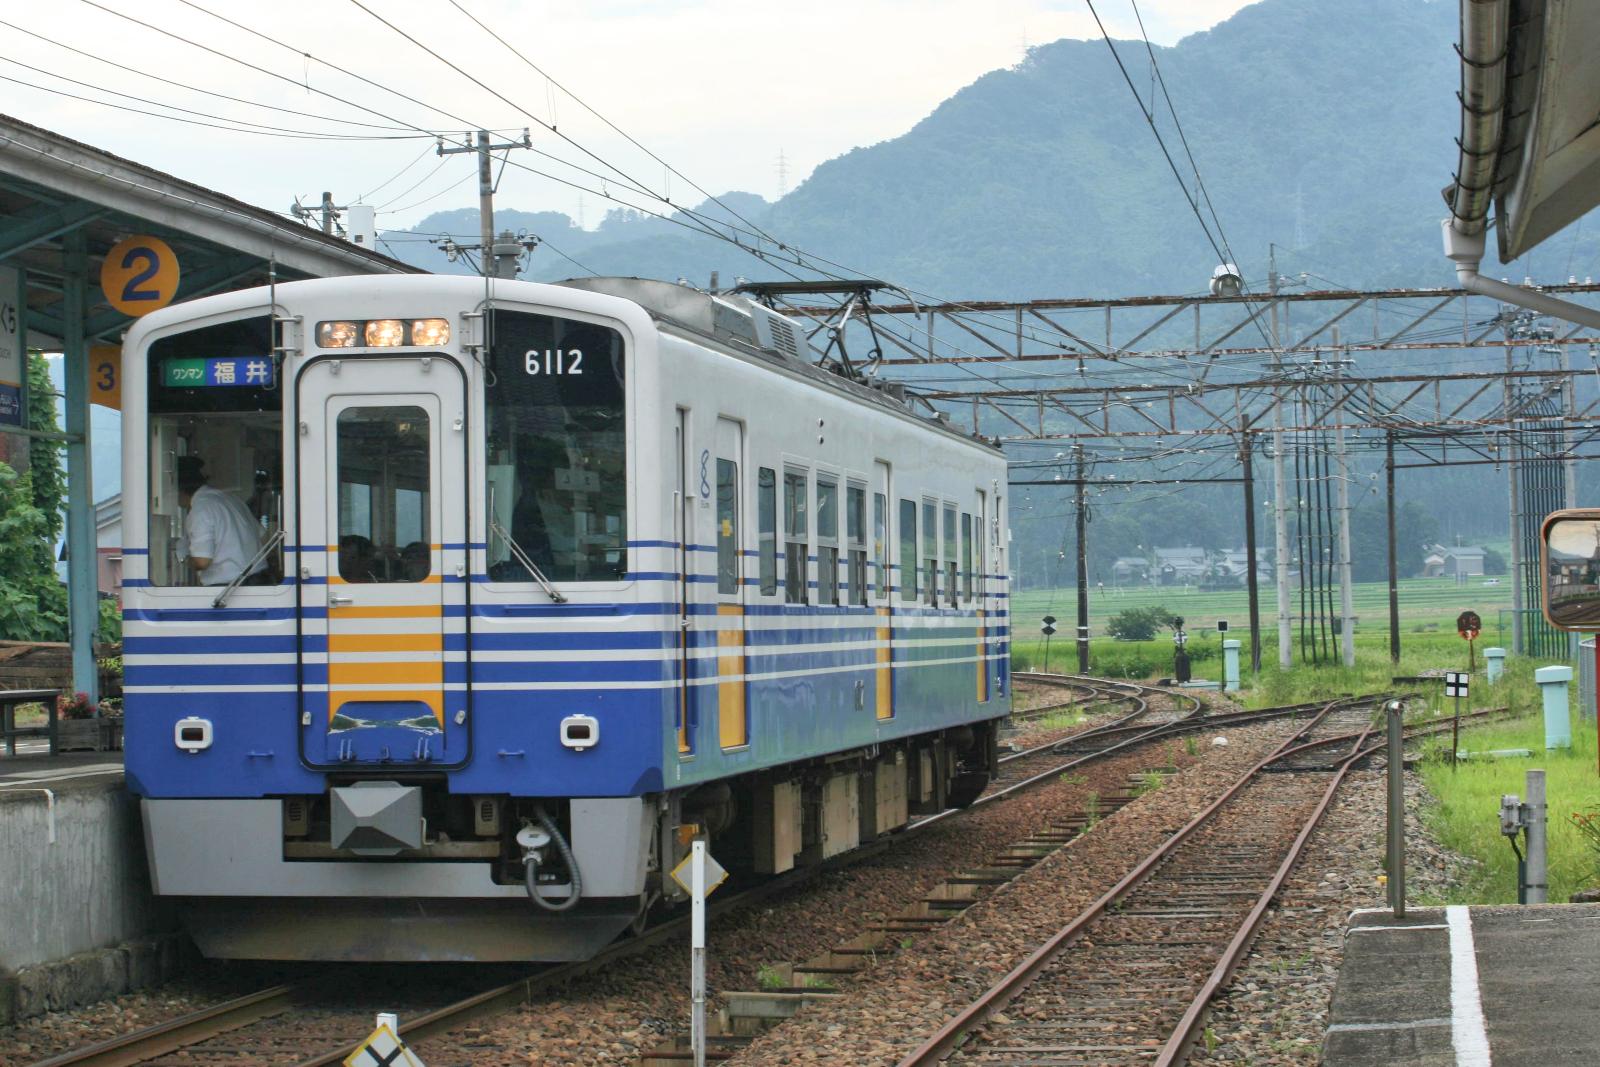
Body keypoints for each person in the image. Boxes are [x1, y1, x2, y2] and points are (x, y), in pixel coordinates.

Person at [177, 456, 269, 587]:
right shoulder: (230, 498)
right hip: (259, 581)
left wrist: (185, 557)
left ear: (179, 489)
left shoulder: (201, 510)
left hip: (229, 589)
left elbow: (202, 561)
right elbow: (263, 537)